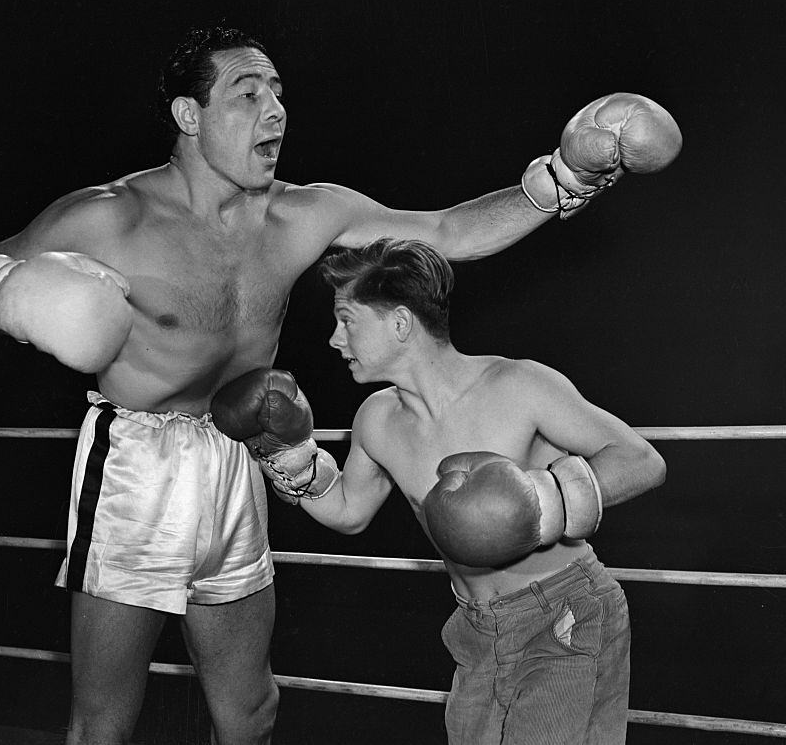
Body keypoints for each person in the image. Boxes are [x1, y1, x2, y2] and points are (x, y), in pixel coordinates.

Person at [0, 25, 679, 745]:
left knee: (251, 709)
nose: (275, 110)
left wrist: (562, 176)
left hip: (238, 452)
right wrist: (3, 296)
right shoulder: (106, 218)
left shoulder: (301, 212)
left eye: (279, 92)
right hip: (135, 464)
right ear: (189, 114)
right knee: (103, 722)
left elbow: (446, 231)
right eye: (248, 93)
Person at [247, 237, 666, 744]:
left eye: (347, 320)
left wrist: (542, 503)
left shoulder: (517, 385)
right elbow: (348, 511)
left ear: (400, 324)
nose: (335, 339)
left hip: (563, 614)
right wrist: (291, 459)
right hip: (476, 631)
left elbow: (642, 460)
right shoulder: (377, 420)